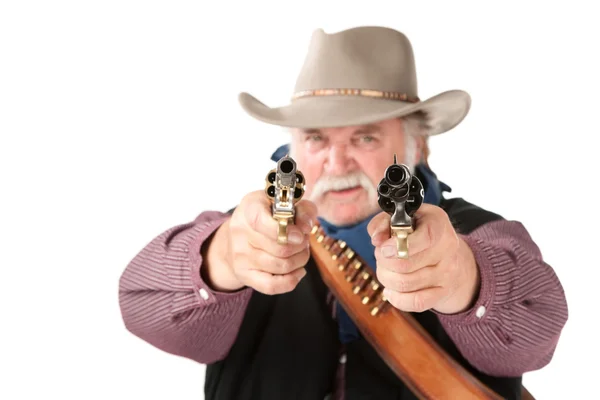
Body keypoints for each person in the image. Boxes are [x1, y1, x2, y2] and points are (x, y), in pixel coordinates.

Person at [118, 26, 568, 399]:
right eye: (316, 138)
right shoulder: (247, 230)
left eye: (365, 138)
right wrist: (218, 264)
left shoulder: (480, 233)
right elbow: (140, 303)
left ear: (419, 146)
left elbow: (538, 328)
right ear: (292, 147)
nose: (337, 163)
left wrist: (464, 281)